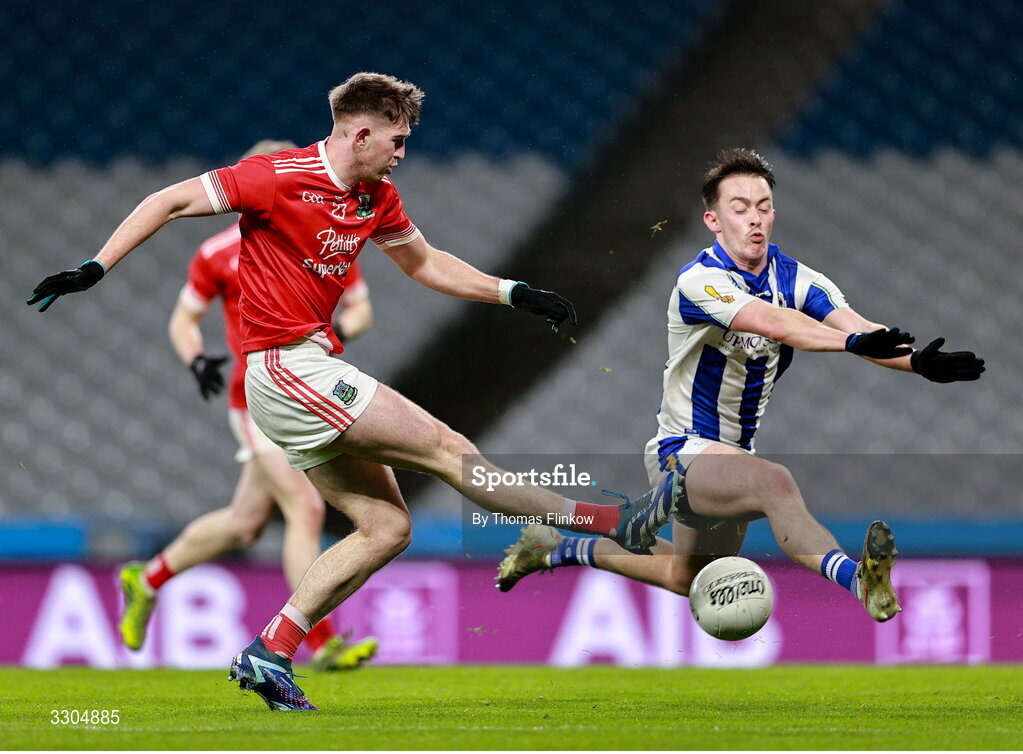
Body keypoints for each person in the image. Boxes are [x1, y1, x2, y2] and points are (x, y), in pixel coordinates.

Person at [27, 72, 697, 711]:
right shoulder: (277, 176)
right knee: (446, 447)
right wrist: (95, 267)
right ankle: (610, 522)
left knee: (386, 527)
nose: (403, 153)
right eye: (397, 139)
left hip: (301, 372)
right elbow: (168, 200)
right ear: (358, 133)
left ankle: (271, 650)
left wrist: (511, 292)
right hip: (286, 367)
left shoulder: (375, 197)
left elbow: (425, 263)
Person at [497, 148, 985, 626]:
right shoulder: (700, 280)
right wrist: (855, 342)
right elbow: (775, 323)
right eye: (740, 208)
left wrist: (917, 361)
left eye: (764, 207)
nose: (755, 219)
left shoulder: (798, 278)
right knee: (776, 484)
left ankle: (556, 548)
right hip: (681, 454)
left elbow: (863, 330)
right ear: (714, 220)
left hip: (731, 459)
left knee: (687, 576)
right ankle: (858, 579)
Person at [116, 140, 378, 673]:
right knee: (304, 510)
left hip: (306, 382)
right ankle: (322, 641)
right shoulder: (217, 252)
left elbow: (361, 307)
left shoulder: (325, 235)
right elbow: (182, 320)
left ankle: (146, 579)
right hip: (255, 394)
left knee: (244, 524)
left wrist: (328, 334)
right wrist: (195, 360)